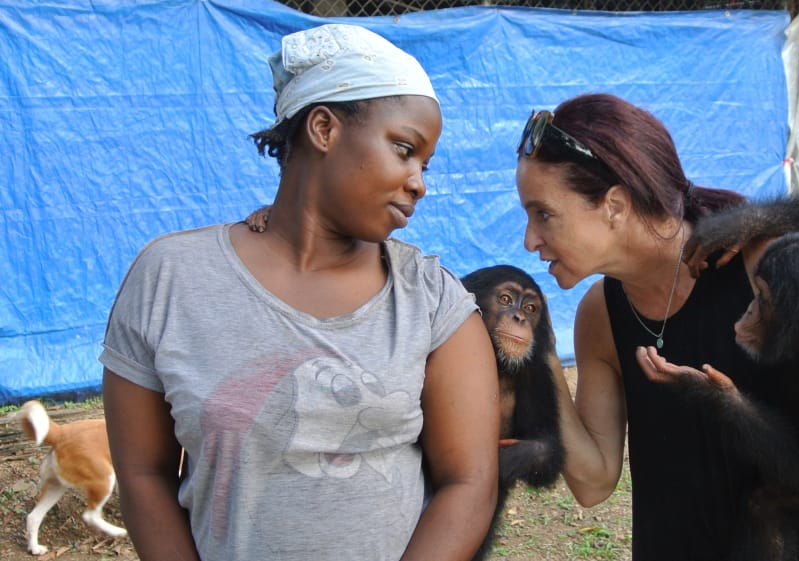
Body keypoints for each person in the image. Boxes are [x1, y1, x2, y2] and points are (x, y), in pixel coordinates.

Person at [513, 92, 799, 560]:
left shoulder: (765, 261)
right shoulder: (601, 314)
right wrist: (543, 362)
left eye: (544, 214)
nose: (530, 239)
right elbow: (593, 483)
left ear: (614, 204)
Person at [100, 23, 500, 561]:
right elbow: (144, 473)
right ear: (323, 128)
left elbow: (469, 483)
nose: (419, 182)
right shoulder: (169, 278)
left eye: (424, 164)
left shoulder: (431, 300)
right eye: (404, 149)